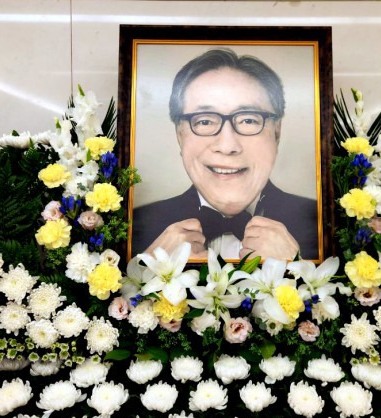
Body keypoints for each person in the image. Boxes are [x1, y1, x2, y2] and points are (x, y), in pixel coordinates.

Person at [132, 48, 318, 260]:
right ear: (180, 135)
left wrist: (296, 268)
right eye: (204, 121)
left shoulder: (328, 223)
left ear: (277, 132)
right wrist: (147, 270)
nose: (227, 146)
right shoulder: (133, 227)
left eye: (248, 120)